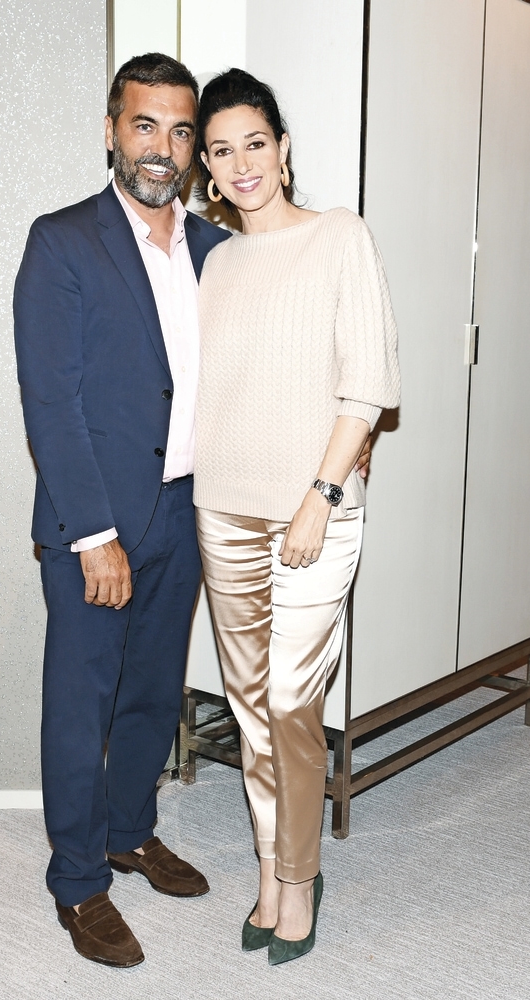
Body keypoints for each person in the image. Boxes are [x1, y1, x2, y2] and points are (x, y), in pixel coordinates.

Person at [13, 53, 231, 969]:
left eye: (179, 131)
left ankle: (129, 831)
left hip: (186, 510)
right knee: (82, 703)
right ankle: (75, 879)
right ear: (111, 131)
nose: (161, 148)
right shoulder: (62, 241)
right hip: (95, 521)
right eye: (145, 125)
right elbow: (51, 403)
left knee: (152, 690)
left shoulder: (216, 249)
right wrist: (94, 535)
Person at [193, 69, 401, 966]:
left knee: (289, 700)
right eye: (220, 149)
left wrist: (321, 494)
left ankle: (301, 871)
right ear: (207, 168)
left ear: (281, 148)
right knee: (247, 707)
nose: (241, 162)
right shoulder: (215, 261)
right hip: (222, 506)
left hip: (313, 507)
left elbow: (368, 383)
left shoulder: (339, 236)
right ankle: (270, 870)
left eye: (254, 142)